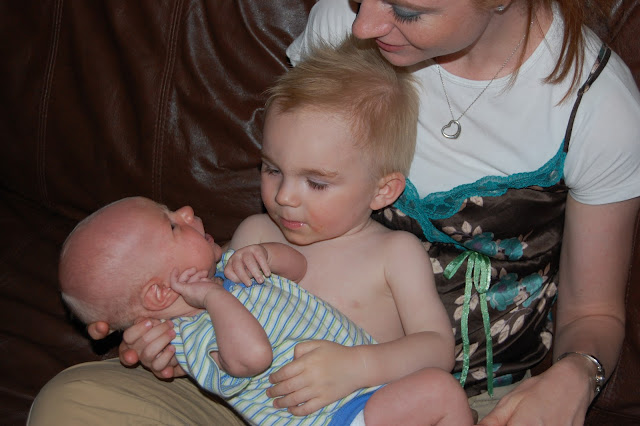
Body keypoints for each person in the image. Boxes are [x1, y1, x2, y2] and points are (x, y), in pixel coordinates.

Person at [29, 36, 474, 425]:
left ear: (382, 190)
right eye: (272, 169)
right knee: (70, 399)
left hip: (364, 409)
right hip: (256, 411)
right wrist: (170, 351)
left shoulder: (394, 253)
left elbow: (437, 349)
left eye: (316, 182)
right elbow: (209, 324)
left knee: (440, 394)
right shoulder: (256, 233)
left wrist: (358, 367)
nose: (285, 197)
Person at [281, 1, 640, 425]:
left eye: (407, 12)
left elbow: (593, 312)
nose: (363, 26)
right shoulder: (341, 22)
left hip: (476, 398)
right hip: (297, 361)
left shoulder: (598, 108)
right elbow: (286, 184)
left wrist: (578, 373)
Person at [58, 196, 471, 425]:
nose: (186, 211)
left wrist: (267, 256)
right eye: (172, 225)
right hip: (331, 419)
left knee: (440, 394)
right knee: (439, 392)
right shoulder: (194, 337)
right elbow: (253, 357)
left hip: (362, 398)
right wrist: (214, 298)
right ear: (160, 293)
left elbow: (299, 268)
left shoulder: (229, 271)